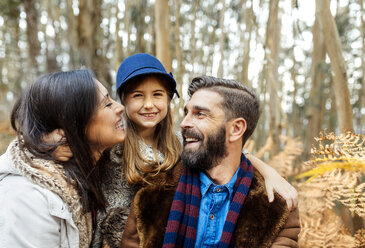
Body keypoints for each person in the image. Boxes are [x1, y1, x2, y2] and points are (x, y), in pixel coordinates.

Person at [52, 54, 298, 248]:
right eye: (137, 96)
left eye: (157, 95)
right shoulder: (112, 144)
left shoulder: (180, 146)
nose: (149, 104)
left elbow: (229, 152)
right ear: (122, 103)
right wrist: (48, 142)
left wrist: (268, 172)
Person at [121, 76, 300, 247]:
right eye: (186, 113)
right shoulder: (151, 193)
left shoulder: (278, 206)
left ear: (236, 129)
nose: (183, 123)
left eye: (199, 114)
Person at [0, 70, 126, 247]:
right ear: (73, 123)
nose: (120, 107)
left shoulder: (88, 171)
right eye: (107, 104)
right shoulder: (28, 199)